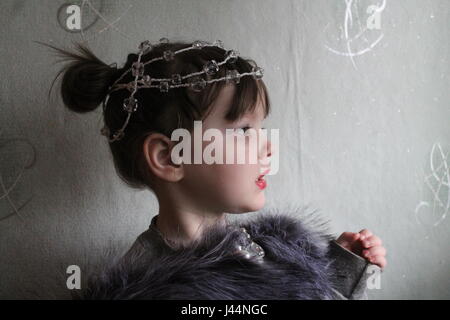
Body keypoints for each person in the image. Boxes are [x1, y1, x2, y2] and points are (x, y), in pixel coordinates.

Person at [46, 38, 387, 299]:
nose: (268, 146)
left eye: (261, 129)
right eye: (243, 131)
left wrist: (338, 267)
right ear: (169, 157)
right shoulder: (145, 283)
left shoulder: (269, 251)